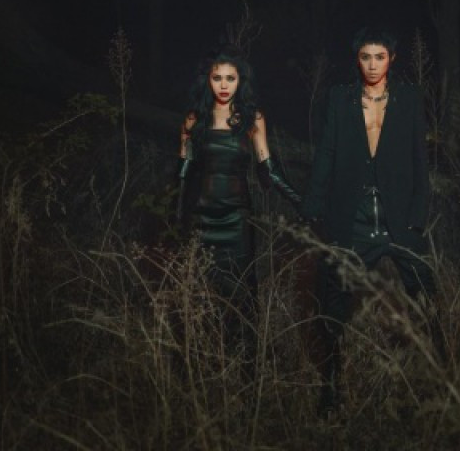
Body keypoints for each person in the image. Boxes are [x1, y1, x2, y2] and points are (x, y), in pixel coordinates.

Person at [301, 27, 435, 416]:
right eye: (365, 57)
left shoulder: (409, 99)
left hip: (398, 216)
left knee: (426, 295)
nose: (373, 65)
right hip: (353, 215)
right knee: (333, 299)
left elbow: (420, 159)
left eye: (380, 57)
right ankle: (330, 390)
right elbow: (327, 153)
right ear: (357, 60)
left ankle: (438, 384)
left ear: (391, 59)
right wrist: (313, 204)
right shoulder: (340, 98)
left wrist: (418, 215)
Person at [176, 44, 300, 373]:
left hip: (236, 221)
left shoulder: (252, 119)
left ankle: (245, 372)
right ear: (207, 80)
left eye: (230, 78)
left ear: (240, 81)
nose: (224, 85)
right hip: (200, 220)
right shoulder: (194, 119)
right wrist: (176, 218)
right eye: (217, 78)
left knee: (242, 296)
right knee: (197, 292)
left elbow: (268, 171)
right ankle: (194, 369)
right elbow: (182, 173)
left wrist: (303, 203)